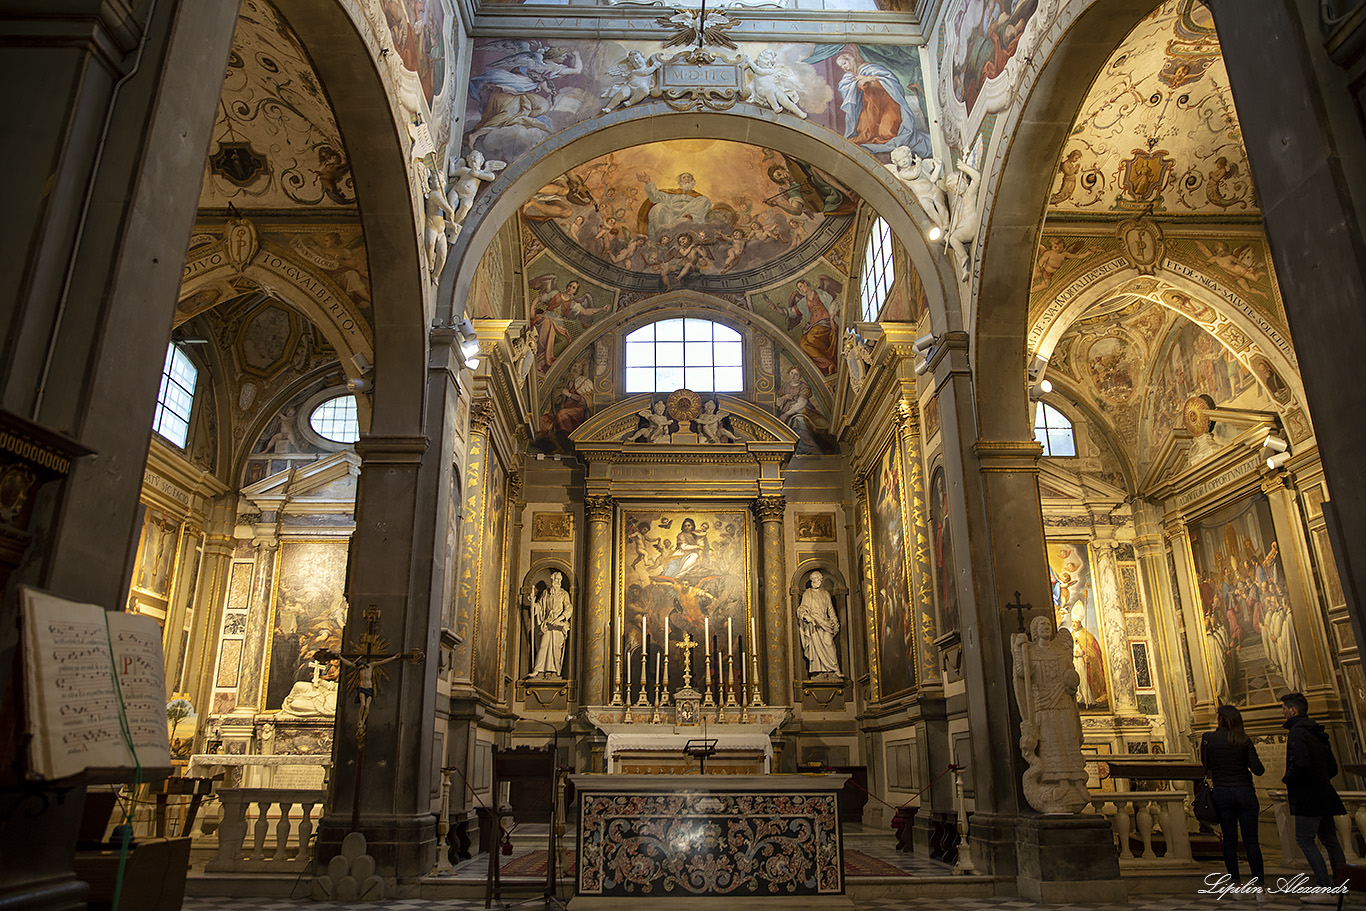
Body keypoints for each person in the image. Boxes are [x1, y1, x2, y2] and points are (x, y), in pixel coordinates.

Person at [1281, 691, 1346, 900]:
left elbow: (1299, 763)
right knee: (1330, 840)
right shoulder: (1317, 731)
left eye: (1283, 708)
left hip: (1308, 797)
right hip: (1325, 793)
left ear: (1293, 710)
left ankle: (1324, 887)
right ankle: (1341, 886)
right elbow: (1333, 767)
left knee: (1305, 839)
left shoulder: (1297, 733)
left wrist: (1288, 779)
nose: (1282, 713)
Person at [1201, 705, 1265, 889]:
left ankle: (1235, 884)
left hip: (1222, 793)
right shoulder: (1243, 739)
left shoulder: (1208, 739)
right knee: (1251, 841)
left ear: (1220, 718)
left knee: (1229, 840)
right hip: (1244, 792)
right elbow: (1258, 770)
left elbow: (1206, 765)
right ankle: (1259, 886)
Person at [797, 570, 840, 677]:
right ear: (812, 580)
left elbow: (830, 610)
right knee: (816, 649)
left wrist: (835, 622)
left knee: (829, 644)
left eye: (818, 579)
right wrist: (806, 616)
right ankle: (819, 671)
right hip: (814, 624)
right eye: (815, 579)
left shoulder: (825, 594)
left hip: (825, 623)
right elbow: (802, 609)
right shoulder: (808, 593)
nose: (817, 581)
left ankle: (835, 669)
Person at [530, 570, 573, 677]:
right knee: (543, 645)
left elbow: (569, 608)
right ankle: (538, 669)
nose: (556, 582)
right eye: (554, 580)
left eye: (558, 580)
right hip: (548, 623)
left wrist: (560, 619)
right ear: (551, 580)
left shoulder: (564, 594)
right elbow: (539, 607)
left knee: (556, 647)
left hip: (558, 624)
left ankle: (555, 670)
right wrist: (533, 603)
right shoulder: (546, 593)